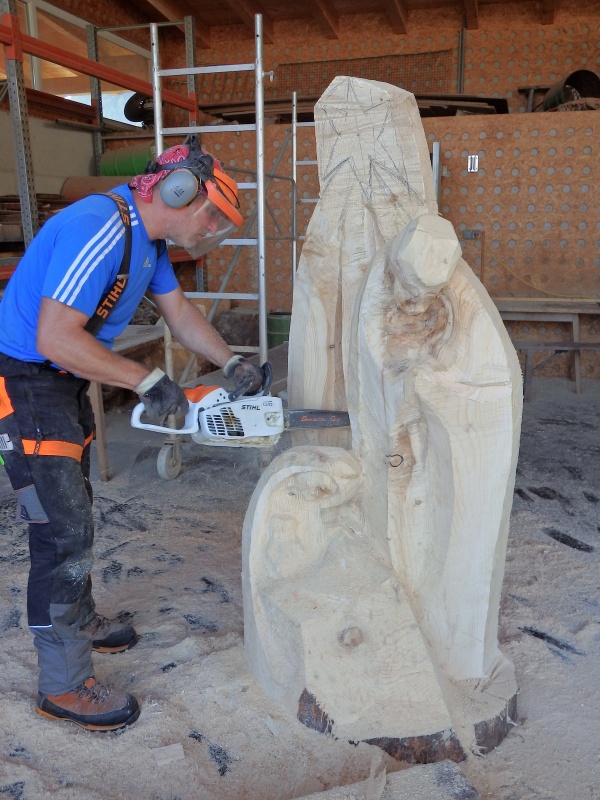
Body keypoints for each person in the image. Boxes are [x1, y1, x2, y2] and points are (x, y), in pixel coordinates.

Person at [0, 135, 265, 732]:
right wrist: (145, 379)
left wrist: (231, 363)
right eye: (212, 215)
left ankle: (80, 618)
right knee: (59, 530)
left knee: (74, 509)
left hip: (62, 380)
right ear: (178, 191)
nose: (213, 228)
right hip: (26, 379)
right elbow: (55, 337)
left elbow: (181, 314)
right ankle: (62, 685)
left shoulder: (147, 241)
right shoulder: (99, 226)